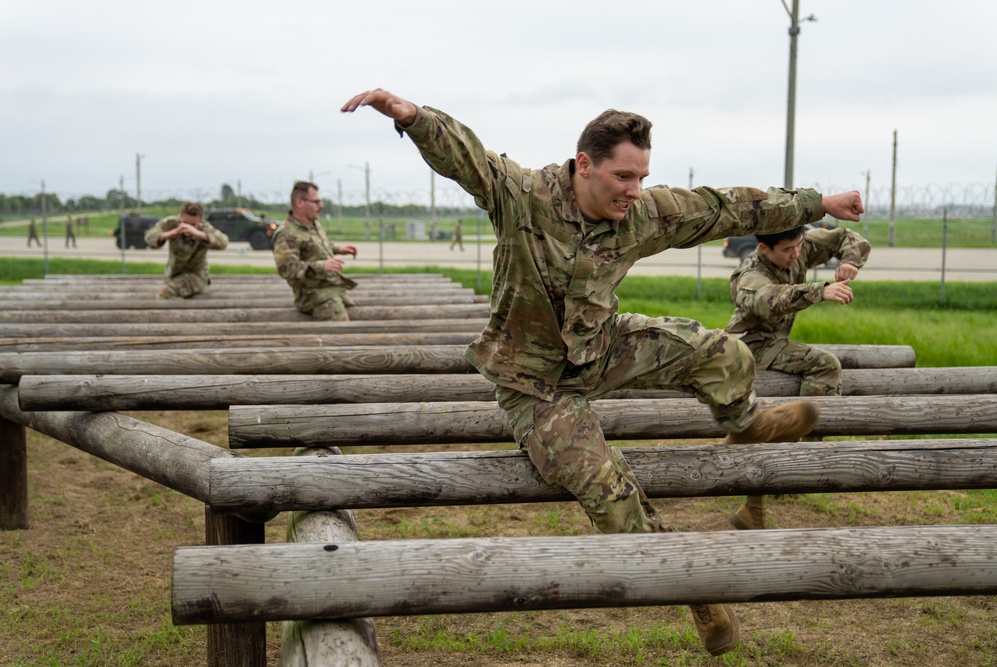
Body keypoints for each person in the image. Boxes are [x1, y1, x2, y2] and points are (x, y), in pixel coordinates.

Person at [342, 88, 865, 657]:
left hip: (601, 346)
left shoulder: (641, 214)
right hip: (534, 383)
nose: (634, 190)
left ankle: (744, 422)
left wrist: (818, 203)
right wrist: (415, 118)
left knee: (724, 352)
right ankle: (694, 590)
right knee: (609, 493)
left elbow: (726, 206)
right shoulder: (524, 196)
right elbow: (468, 158)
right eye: (623, 177)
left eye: (642, 177)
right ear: (584, 165)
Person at [723, 225, 871, 530]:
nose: (796, 254)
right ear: (765, 250)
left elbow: (847, 236)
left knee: (773, 425)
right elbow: (768, 299)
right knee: (825, 365)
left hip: (774, 343)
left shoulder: (795, 248)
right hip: (749, 347)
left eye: (799, 246)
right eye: (787, 250)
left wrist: (849, 261)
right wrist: (820, 290)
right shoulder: (749, 276)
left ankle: (788, 466)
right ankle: (806, 460)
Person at [272, 181, 359, 321]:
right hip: (311, 295)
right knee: (340, 330)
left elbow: (316, 247)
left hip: (329, 288)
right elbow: (286, 269)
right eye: (316, 202)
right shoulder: (287, 233)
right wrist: (322, 266)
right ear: (300, 202)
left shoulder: (313, 224)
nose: (321, 206)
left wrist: (338, 249)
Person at [143, 202, 229, 299]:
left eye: (193, 224)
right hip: (174, 274)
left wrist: (198, 233)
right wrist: (169, 234)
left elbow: (223, 242)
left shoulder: (204, 228)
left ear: (200, 221)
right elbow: (149, 236)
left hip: (196, 275)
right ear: (180, 218)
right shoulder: (172, 223)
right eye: (185, 223)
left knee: (165, 294)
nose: (188, 227)